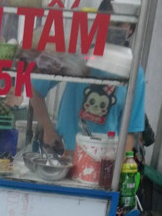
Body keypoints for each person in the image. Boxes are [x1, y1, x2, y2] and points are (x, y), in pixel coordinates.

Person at [29, 15, 146, 159]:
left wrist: (121, 167)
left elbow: (130, 130)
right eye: (108, 22)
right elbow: (34, 90)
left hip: (104, 159)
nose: (111, 28)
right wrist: (48, 130)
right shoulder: (79, 56)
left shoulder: (134, 72)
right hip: (67, 154)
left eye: (119, 24)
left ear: (130, 29)